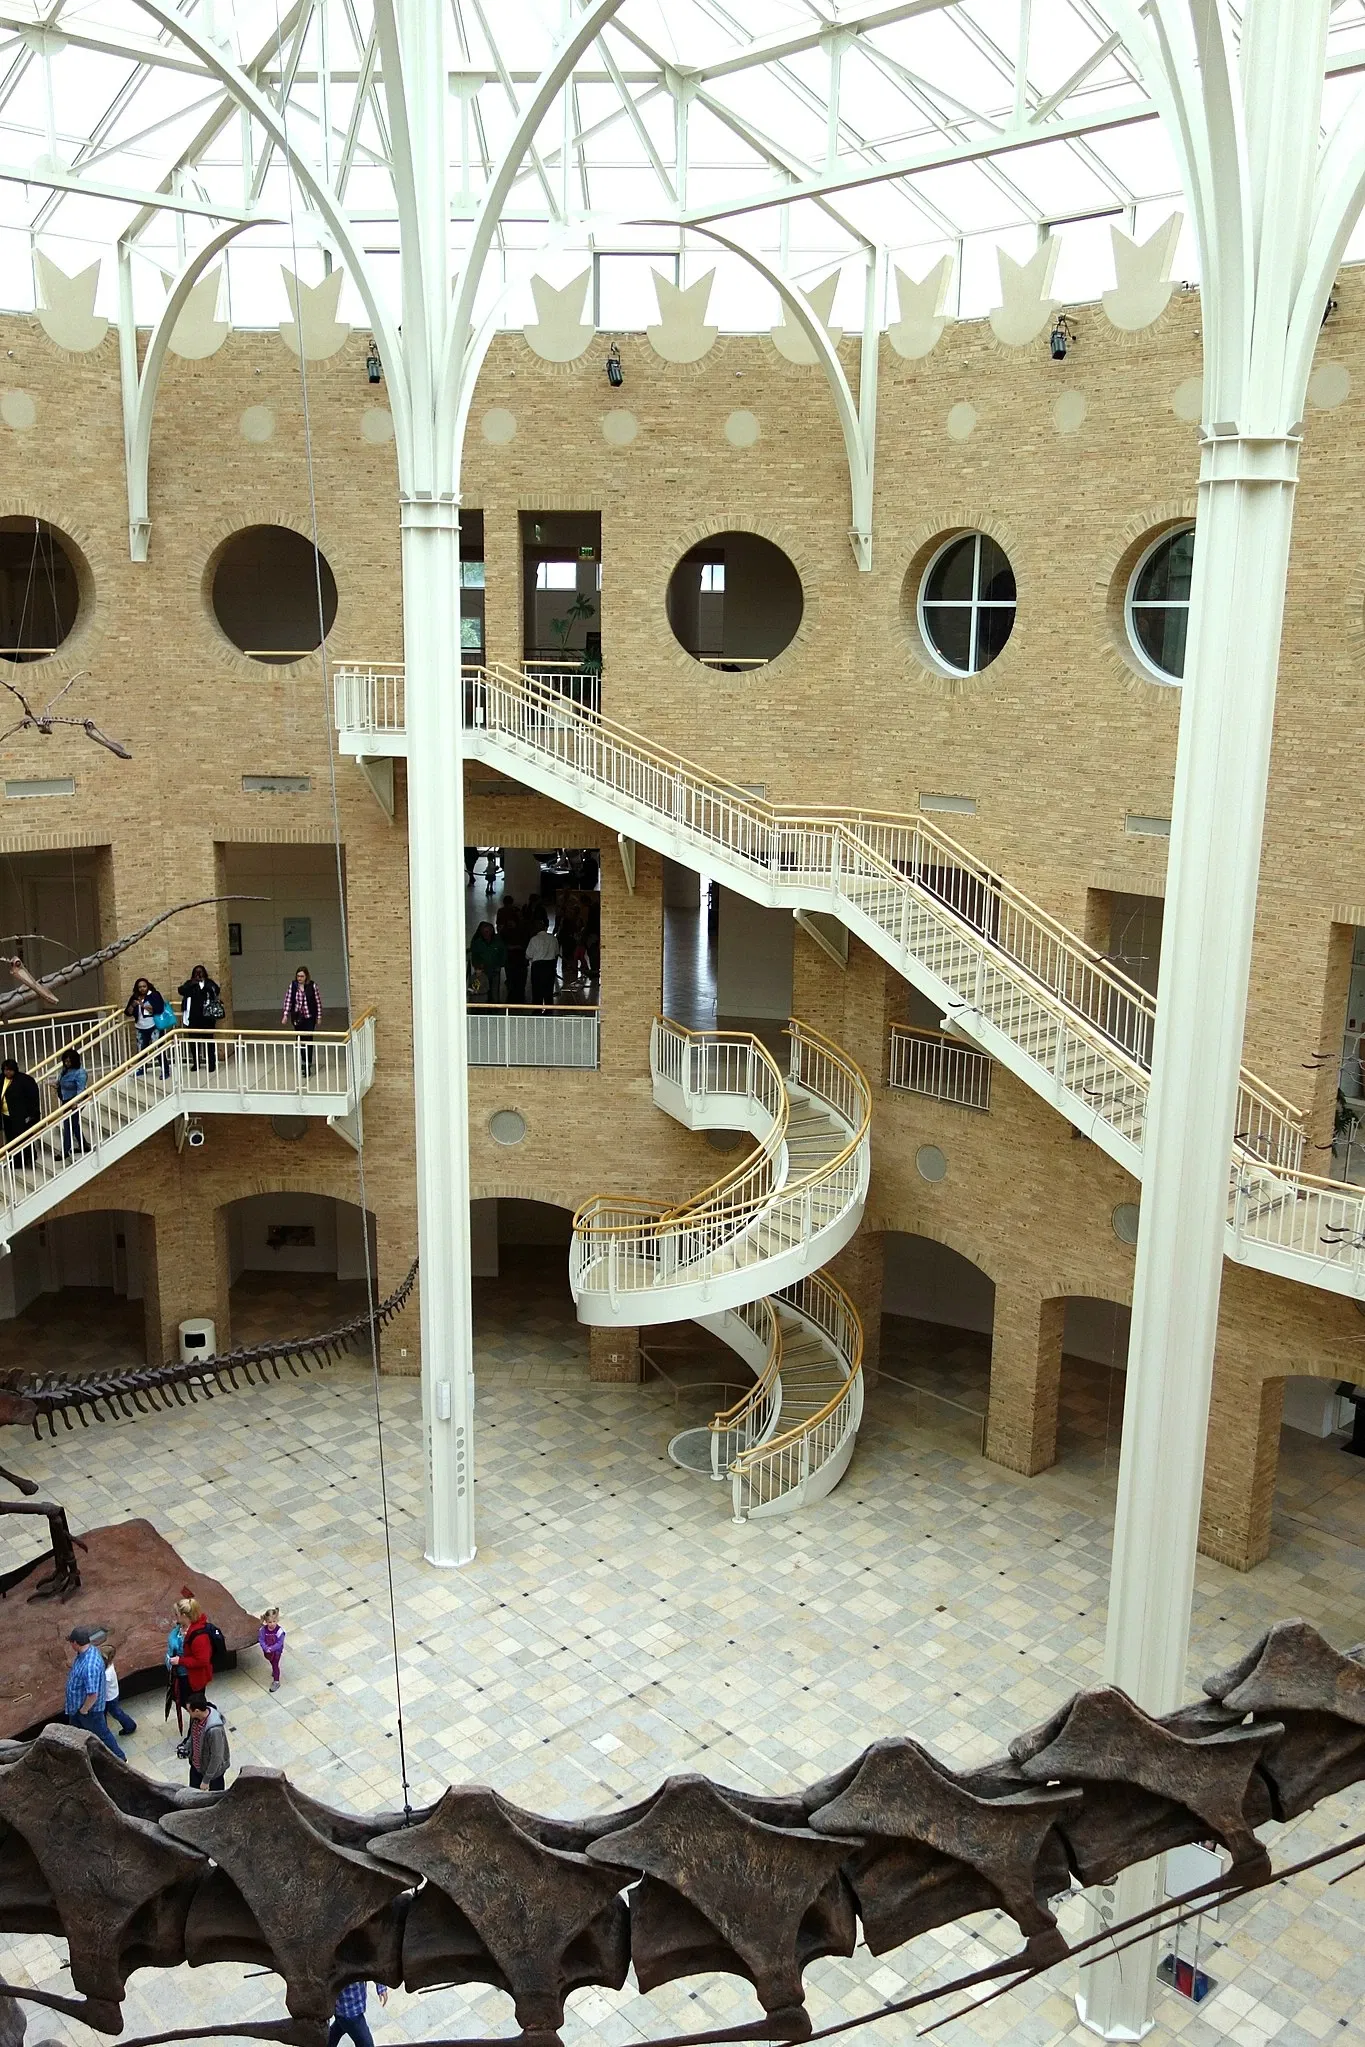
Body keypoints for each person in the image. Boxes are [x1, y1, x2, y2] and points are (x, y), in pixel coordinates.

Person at [64, 1624, 125, 1759]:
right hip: (78, 1709)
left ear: (75, 1643)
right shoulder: (88, 1652)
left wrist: (84, 1710)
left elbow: (93, 1694)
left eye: (71, 1643)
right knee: (76, 1732)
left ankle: (120, 1758)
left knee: (103, 1734)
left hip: (89, 1711)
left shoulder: (89, 1665)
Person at [167, 1593, 214, 1709]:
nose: (175, 1616)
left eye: (176, 1614)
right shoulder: (181, 1627)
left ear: (184, 1615)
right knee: (180, 1698)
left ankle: (204, 1716)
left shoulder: (198, 1637)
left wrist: (180, 1661)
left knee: (193, 1705)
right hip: (181, 1674)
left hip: (192, 1678)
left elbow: (202, 1661)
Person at [178, 1692, 229, 1790]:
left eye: (189, 1710)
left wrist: (206, 1780)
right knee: (192, 1793)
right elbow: (193, 1735)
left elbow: (216, 1757)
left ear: (197, 1711)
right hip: (197, 1766)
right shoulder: (195, 1718)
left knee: (216, 1797)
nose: (188, 1712)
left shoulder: (214, 1731)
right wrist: (186, 1747)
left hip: (213, 1773)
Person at [178, 964, 221, 1072]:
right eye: (196, 972)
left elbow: (216, 990)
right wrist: (193, 983)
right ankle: (196, 1063)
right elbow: (181, 991)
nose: (198, 974)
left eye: (200, 972)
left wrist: (204, 983)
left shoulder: (209, 983)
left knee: (209, 1041)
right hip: (193, 1017)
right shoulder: (190, 983)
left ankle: (211, 1063)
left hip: (207, 1018)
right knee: (194, 1042)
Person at [282, 966, 322, 1076]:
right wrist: (285, 1015)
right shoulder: (293, 986)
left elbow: (317, 1002)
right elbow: (288, 1001)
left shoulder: (312, 986)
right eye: (298, 976)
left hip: (309, 1017)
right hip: (297, 1018)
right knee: (300, 1040)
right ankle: (303, 1063)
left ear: (306, 976)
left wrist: (319, 1017)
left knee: (308, 1040)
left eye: (302, 976)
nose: (299, 978)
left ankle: (308, 1064)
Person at [1, 1059, 42, 1160]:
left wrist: (31, 1114)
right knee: (10, 1138)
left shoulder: (24, 1080)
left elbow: (33, 1098)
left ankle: (28, 1157)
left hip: (20, 1115)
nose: (7, 1072)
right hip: (6, 1115)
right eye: (5, 1070)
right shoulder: (1, 1079)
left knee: (22, 1137)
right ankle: (15, 1160)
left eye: (10, 1070)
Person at [328, 1981, 388, 2047]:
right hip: (348, 2012)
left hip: (348, 2009)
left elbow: (368, 1970)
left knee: (339, 2028)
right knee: (366, 2044)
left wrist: (380, 1986)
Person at [57, 1047, 87, 1159]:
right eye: (65, 1061)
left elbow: (81, 1089)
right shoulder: (65, 1070)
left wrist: (76, 1102)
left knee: (68, 1124)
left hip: (76, 1100)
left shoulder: (80, 1073)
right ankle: (83, 1145)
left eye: (69, 1061)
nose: (66, 1063)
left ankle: (65, 1150)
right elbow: (61, 1080)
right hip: (66, 1099)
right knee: (73, 1123)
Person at [101, 1646, 137, 1741]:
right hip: (112, 1694)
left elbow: (102, 1687)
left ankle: (130, 1725)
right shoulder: (109, 1666)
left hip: (109, 1698)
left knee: (115, 1712)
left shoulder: (107, 1674)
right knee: (113, 1712)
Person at [497, 897, 527, 1004]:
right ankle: (517, 997)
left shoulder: (509, 930)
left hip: (516, 959)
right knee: (515, 979)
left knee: (516, 979)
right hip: (514, 959)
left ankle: (515, 996)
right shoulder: (519, 930)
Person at [125, 977, 166, 1053]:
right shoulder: (135, 997)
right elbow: (128, 1013)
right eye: (140, 987)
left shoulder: (154, 995)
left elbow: (159, 1009)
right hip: (140, 1027)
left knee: (158, 1051)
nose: (142, 989)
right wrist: (132, 1005)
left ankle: (164, 1065)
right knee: (141, 1052)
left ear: (148, 986)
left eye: (144, 986)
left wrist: (143, 1005)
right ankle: (143, 1065)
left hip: (154, 1026)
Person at [468, 921, 506, 1002]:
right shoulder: (477, 942)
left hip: (495, 970)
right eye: (484, 932)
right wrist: (477, 966)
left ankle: (495, 1009)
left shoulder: (498, 941)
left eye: (488, 931)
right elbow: (474, 955)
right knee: (482, 990)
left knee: (494, 991)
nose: (486, 934)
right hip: (483, 971)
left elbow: (503, 953)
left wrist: (501, 964)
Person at [526, 916, 559, 1007]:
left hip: (538, 967)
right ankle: (549, 1010)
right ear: (546, 927)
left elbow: (528, 955)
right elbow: (556, 953)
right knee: (548, 989)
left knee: (537, 989)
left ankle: (537, 1009)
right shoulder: (553, 939)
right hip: (550, 966)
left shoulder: (534, 939)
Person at [258, 1606, 285, 1692]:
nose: (272, 1624)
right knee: (271, 1661)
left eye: (274, 1621)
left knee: (275, 1664)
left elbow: (279, 1643)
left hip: (276, 1652)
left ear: (277, 1620)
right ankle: (274, 1669)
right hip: (268, 1651)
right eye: (269, 1622)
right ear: (266, 1622)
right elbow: (261, 1639)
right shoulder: (263, 1630)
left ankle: (276, 1681)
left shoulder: (279, 1631)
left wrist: (272, 1648)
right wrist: (265, 1648)